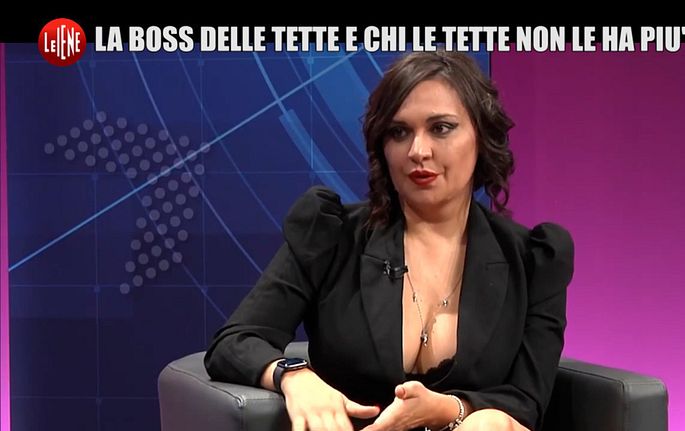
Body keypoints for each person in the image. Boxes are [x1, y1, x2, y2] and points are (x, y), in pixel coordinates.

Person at [204, 50, 574, 431]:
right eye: (399, 132)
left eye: (441, 128)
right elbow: (235, 342)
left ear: (481, 136)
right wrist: (295, 376)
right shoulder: (331, 235)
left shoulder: (533, 260)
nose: (418, 151)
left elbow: (527, 400)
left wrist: (450, 410)